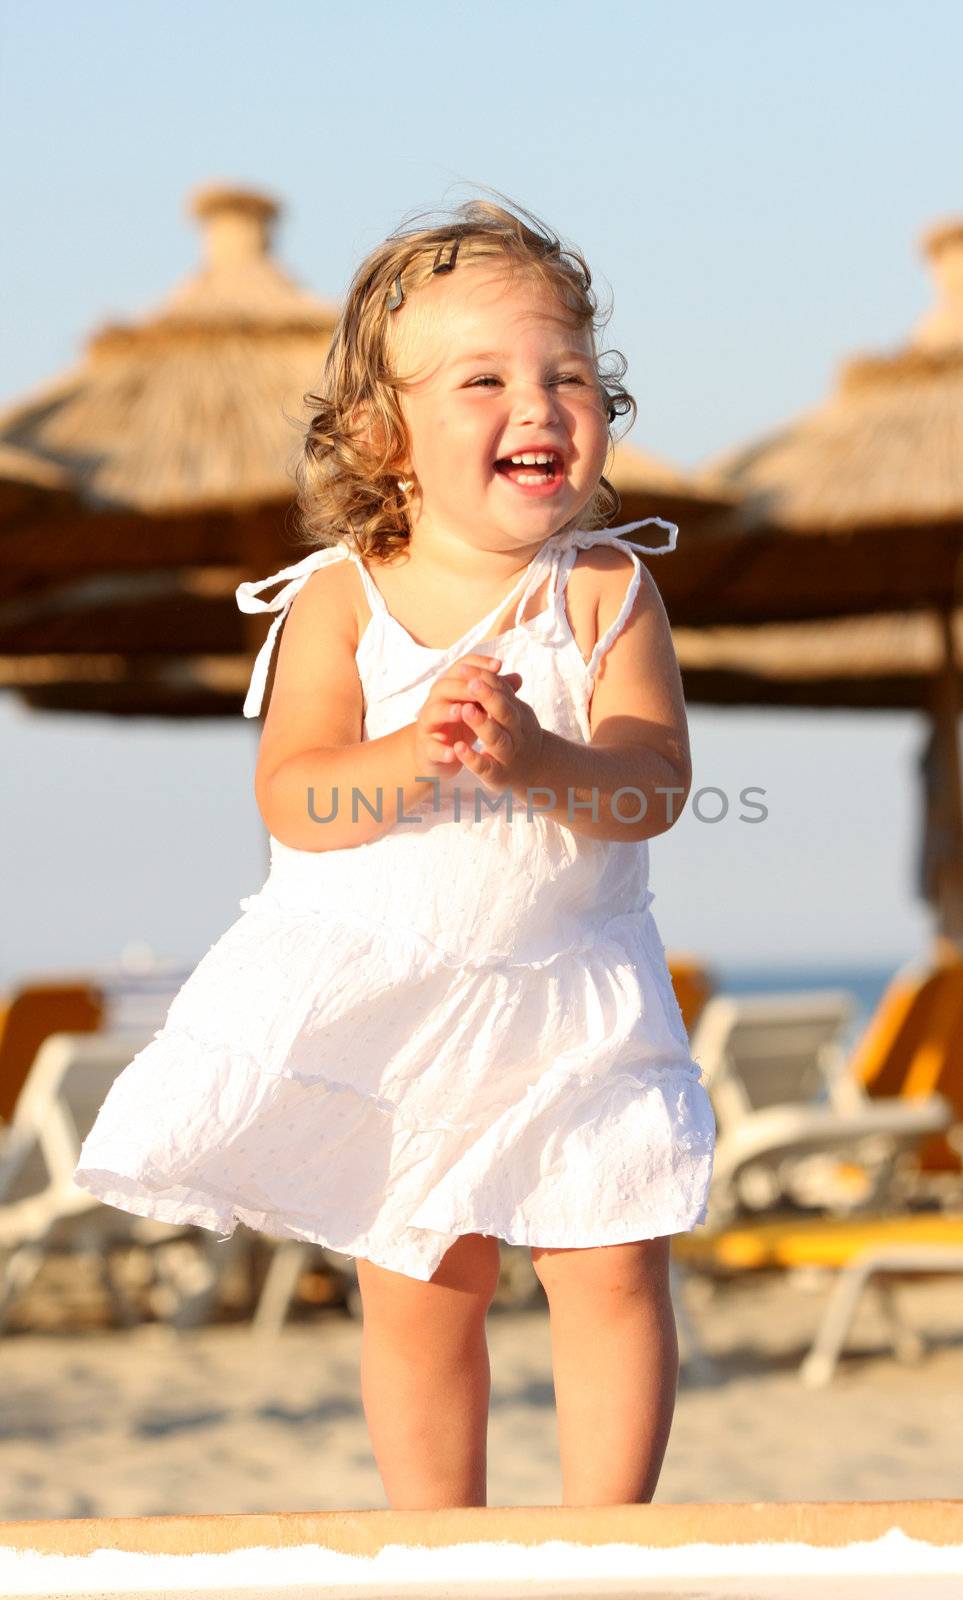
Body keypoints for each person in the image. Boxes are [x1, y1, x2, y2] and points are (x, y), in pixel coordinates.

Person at [73, 195, 717, 1510]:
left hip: (572, 987)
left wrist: (541, 764)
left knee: (611, 1255)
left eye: (567, 376)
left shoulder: (602, 591)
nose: (536, 403)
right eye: (482, 379)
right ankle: (441, 1543)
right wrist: (411, 757)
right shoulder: (340, 599)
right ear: (387, 436)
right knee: (427, 1281)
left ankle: (607, 1542)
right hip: (398, 998)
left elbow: (651, 789)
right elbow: (295, 800)